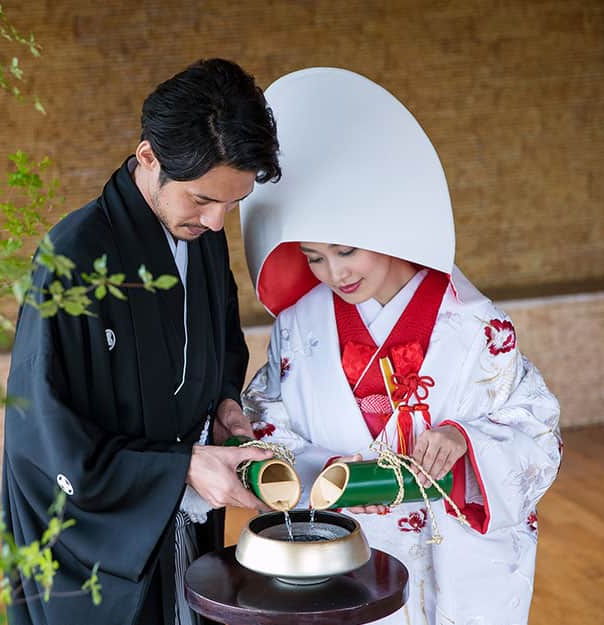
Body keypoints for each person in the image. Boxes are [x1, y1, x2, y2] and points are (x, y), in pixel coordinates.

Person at [240, 68, 562, 625]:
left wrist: (462, 440)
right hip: (350, 540)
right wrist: (329, 473)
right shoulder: (300, 323)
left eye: (345, 251)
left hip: (456, 554)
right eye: (314, 257)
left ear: (388, 230)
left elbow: (535, 427)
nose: (334, 273)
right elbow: (266, 419)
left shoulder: (475, 323)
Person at [1, 58, 282, 625]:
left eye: (233, 203)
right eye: (203, 199)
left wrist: (224, 402)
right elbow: (47, 434)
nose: (215, 221)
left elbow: (222, 341)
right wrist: (178, 468)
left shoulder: (199, 236)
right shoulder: (76, 257)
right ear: (148, 156)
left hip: (182, 515)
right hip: (95, 541)